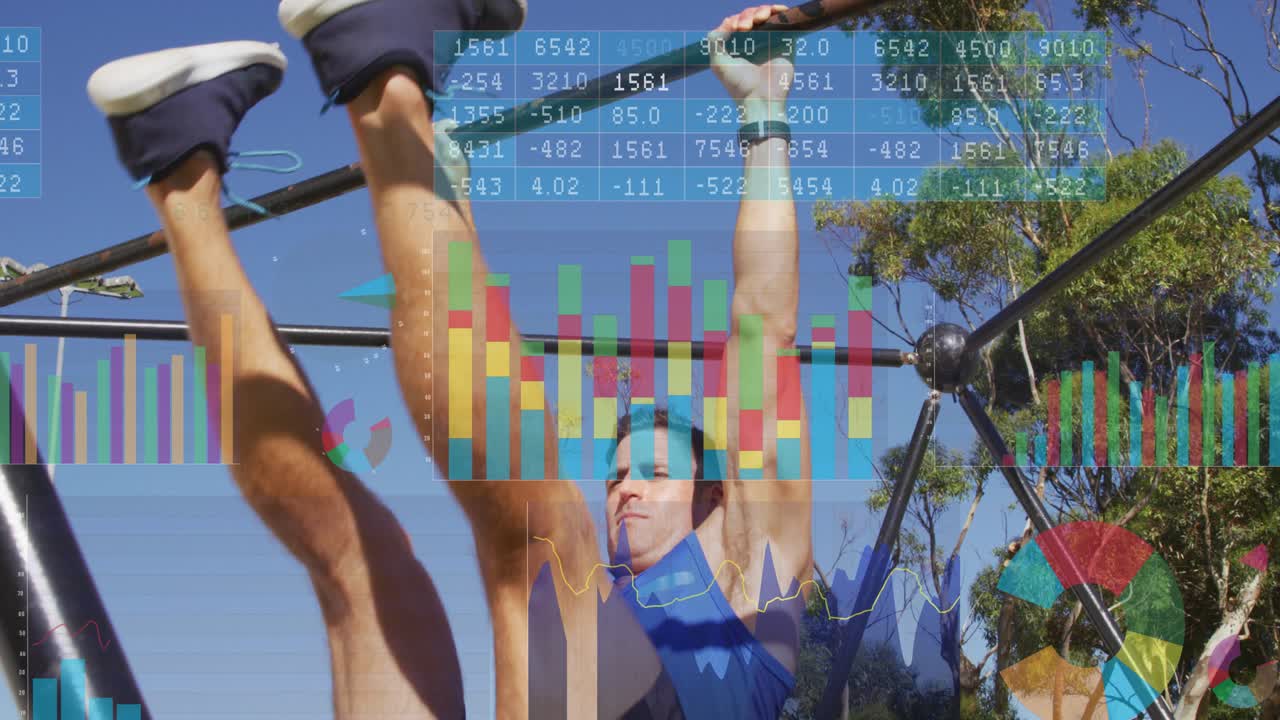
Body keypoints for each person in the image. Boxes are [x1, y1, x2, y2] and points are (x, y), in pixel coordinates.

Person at [86, 0, 811, 717]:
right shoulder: (599, 599)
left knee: (541, 545)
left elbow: (763, 326)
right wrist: (444, 195)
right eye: (619, 472)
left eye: (655, 474)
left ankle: (379, 64)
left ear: (716, 497)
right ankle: (184, 172)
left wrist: (764, 118)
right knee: (369, 570)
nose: (626, 488)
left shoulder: (749, 585)